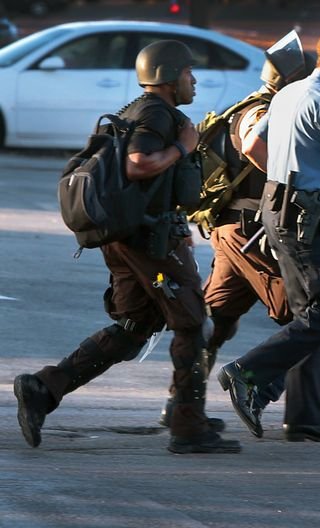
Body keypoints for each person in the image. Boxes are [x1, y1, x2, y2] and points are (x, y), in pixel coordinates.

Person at [14, 40, 241, 454]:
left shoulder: (138, 109)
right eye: (188, 73)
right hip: (150, 244)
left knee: (134, 330)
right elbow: (139, 164)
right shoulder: (157, 113)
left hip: (131, 239)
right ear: (169, 76)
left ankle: (43, 389)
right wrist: (183, 147)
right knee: (193, 324)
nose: (194, 81)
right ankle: (188, 428)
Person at [217, 27, 320, 443]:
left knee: (308, 317)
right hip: (304, 216)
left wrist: (286, 176)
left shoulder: (287, 93)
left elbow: (252, 146)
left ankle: (300, 417)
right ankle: (245, 372)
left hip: (276, 207)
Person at [157, 31, 311, 432]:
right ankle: (305, 405)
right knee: (310, 314)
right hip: (247, 233)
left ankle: (180, 404)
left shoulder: (259, 106)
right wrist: (297, 178)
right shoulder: (259, 111)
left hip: (237, 232)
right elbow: (255, 144)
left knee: (217, 321)